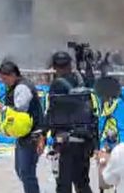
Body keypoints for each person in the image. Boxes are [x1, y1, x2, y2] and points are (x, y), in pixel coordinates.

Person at [0, 60, 44, 193]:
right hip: (25, 136)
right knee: (21, 171)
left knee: (27, 172)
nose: (3, 82)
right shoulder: (17, 86)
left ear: (12, 75)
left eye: (5, 78)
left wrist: (3, 108)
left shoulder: (22, 88)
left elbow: (19, 111)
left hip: (32, 136)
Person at [48, 51, 92, 193]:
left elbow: (53, 112)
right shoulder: (82, 79)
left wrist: (43, 131)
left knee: (63, 184)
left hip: (65, 138)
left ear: (55, 66)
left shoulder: (57, 85)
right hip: (85, 136)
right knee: (82, 182)